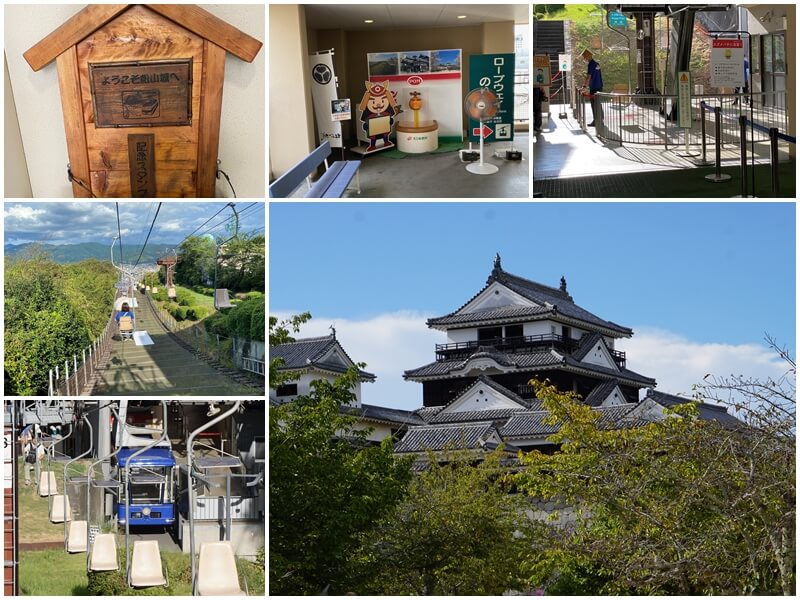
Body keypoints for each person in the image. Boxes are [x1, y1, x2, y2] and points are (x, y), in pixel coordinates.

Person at [581, 49, 604, 126]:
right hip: (599, 86)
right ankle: (601, 118)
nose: (584, 59)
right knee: (598, 103)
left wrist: (584, 86)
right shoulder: (597, 64)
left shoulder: (591, 64)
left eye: (584, 57)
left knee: (594, 104)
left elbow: (589, 76)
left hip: (594, 87)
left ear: (588, 56)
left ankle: (596, 120)